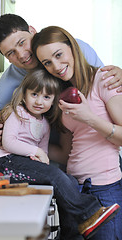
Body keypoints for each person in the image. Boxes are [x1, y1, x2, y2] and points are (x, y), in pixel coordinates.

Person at [0, 67, 120, 240]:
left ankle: (72, 232)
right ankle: (90, 212)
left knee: (70, 182)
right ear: (24, 95)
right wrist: (36, 152)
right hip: (5, 162)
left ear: (53, 102)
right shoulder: (18, 112)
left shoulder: (45, 124)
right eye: (34, 94)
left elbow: (43, 151)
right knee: (55, 175)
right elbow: (9, 142)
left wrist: (41, 161)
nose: (38, 101)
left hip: (25, 164)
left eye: (46, 97)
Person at [0, 14, 122, 161]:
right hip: (51, 164)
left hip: (103, 156)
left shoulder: (75, 50)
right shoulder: (4, 92)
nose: (22, 55)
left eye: (22, 42)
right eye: (11, 53)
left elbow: (107, 90)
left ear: (32, 31)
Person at [31, 25, 122, 240]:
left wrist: (88, 116)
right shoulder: (62, 97)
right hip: (73, 191)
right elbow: (65, 152)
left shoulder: (104, 78)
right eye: (47, 62)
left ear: (72, 47)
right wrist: (24, 146)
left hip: (104, 189)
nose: (56, 66)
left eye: (58, 55)